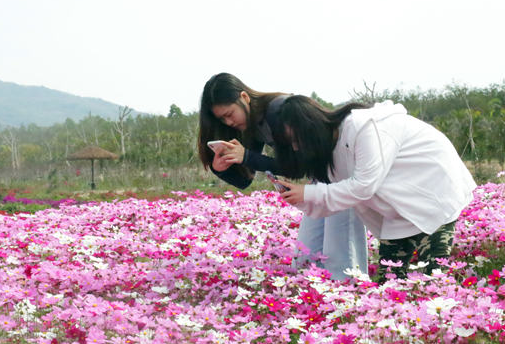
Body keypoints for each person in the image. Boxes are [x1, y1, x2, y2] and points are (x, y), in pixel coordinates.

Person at [271, 95, 476, 278]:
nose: (296, 148)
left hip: (434, 190)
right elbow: (335, 202)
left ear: (311, 128)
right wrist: (299, 198)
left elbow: (363, 186)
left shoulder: (362, 127)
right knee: (390, 281)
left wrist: (307, 193)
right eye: (290, 145)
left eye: (296, 140)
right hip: (398, 210)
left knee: (435, 276)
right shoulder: (329, 154)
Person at [198, 73, 368, 280]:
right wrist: (220, 167)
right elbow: (246, 179)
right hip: (320, 179)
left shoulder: (278, 110)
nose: (229, 122)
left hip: (338, 171)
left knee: (340, 256)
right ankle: (319, 300)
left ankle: (349, 299)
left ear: (244, 97)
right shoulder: (253, 124)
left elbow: (298, 166)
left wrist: (248, 156)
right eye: (222, 119)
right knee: (306, 256)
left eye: (229, 114)